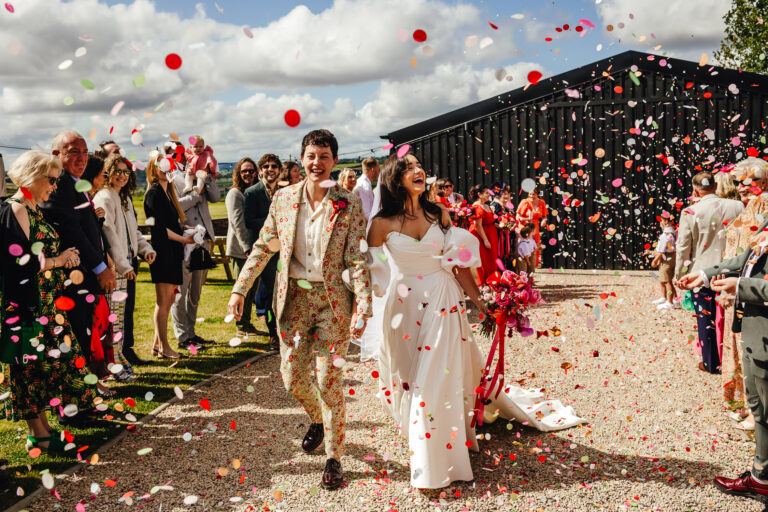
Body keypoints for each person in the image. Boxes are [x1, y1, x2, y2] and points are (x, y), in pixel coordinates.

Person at [366, 151, 582, 489]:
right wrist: (360, 308)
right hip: (403, 305)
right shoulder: (379, 224)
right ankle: (424, 432)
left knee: (434, 376)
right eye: (408, 168)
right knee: (409, 374)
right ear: (394, 178)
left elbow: (459, 266)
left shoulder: (441, 213)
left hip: (442, 300)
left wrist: (482, 304)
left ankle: (433, 461)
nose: (418, 170)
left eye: (420, 165)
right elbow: (372, 273)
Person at [228, 129, 372, 490]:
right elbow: (263, 247)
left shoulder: (348, 202)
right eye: (311, 155)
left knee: (328, 380)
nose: (316, 162)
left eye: (324, 156)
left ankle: (334, 459)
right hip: (293, 300)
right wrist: (240, 289)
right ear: (302, 159)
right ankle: (319, 420)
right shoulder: (284, 199)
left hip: (332, 301)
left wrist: (363, 306)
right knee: (292, 378)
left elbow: (356, 256)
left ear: (334, 161)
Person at [1, 150, 96, 451]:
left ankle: (43, 431)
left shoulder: (32, 208)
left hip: (48, 303)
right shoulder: (16, 210)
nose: (55, 187)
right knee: (29, 369)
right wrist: (60, 259)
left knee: (45, 367)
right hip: (28, 306)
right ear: (33, 176)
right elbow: (21, 264)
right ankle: (39, 434)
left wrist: (64, 258)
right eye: (52, 180)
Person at [677, 217, 768, 504]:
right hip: (756, 337)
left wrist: (740, 287)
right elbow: (746, 259)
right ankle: (761, 476)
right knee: (759, 409)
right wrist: (704, 275)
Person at [40, 131, 116, 425]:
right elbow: (72, 233)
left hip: (84, 276)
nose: (81, 157)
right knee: (74, 342)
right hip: (72, 279)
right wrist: (100, 268)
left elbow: (86, 227)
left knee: (85, 338)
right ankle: (72, 410)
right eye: (73, 151)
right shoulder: (58, 188)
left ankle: (84, 404)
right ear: (56, 154)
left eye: (84, 151)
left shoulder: (77, 185)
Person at [675, 171, 744, 374]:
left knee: (705, 319)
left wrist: (679, 274)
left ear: (696, 190)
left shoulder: (690, 211)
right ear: (715, 186)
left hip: (701, 271)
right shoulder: (737, 206)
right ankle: (733, 360)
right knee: (732, 316)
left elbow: (683, 246)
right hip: (731, 268)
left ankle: (711, 363)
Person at [94, 155, 156, 380]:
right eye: (117, 171)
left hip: (128, 265)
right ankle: (113, 365)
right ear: (107, 173)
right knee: (113, 320)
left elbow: (134, 233)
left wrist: (145, 249)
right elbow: (109, 234)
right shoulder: (104, 198)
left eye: (125, 171)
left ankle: (119, 361)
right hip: (115, 268)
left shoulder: (125, 199)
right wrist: (122, 264)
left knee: (121, 319)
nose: (121, 175)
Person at [719, 158, 768, 430]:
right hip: (737, 291)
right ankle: (746, 405)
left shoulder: (764, 206)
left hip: (753, 293)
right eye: (738, 181)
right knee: (740, 350)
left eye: (749, 180)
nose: (742, 187)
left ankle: (756, 412)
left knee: (753, 351)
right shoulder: (750, 207)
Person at [144, 155, 196, 360]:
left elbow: (172, 224)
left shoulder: (168, 193)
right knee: (163, 302)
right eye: (161, 165)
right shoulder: (153, 193)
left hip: (173, 253)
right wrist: (184, 240)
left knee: (170, 297)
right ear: (153, 169)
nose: (167, 168)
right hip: (163, 253)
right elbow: (159, 229)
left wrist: (187, 229)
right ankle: (165, 347)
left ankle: (157, 345)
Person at [171, 145, 221, 351]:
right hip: (185, 240)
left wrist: (207, 177)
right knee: (181, 291)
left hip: (204, 240)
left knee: (195, 292)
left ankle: (192, 333)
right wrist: (194, 196)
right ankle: (183, 336)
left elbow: (216, 197)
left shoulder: (200, 172)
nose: (183, 159)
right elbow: (176, 206)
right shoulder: (171, 178)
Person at [243, 154, 282, 349]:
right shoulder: (251, 193)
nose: (270, 169)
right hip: (264, 249)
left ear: (279, 170)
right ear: (260, 171)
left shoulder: (285, 192)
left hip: (285, 250)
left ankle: (286, 330)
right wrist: (274, 225)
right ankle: (273, 332)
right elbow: (249, 221)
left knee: (284, 291)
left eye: (274, 166)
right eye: (266, 166)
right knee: (269, 293)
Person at [226, 157, 259, 337]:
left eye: (251, 170)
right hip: (241, 248)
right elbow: (237, 222)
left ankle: (246, 323)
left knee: (251, 288)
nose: (248, 174)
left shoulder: (252, 192)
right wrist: (247, 247)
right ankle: (241, 327)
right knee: (242, 288)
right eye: (244, 171)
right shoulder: (235, 193)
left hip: (254, 247)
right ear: (238, 173)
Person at [468, 184, 499, 286]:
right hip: (482, 236)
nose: (488, 195)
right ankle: (483, 285)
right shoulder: (477, 207)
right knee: (483, 260)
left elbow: (491, 221)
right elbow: (478, 226)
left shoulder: (487, 205)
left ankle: (491, 283)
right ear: (479, 194)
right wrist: (485, 240)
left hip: (491, 234)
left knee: (491, 260)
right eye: (486, 193)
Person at [650, 215, 677, 311]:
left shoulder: (666, 234)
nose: (660, 223)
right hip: (669, 257)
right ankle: (672, 299)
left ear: (665, 221)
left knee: (667, 281)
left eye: (661, 221)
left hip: (666, 258)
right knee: (665, 279)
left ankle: (670, 302)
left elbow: (661, 251)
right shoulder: (672, 232)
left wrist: (654, 261)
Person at [516, 187, 548, 268]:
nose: (531, 196)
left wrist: (544, 220)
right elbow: (517, 216)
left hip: (535, 227)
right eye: (530, 194)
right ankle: (523, 265)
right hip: (525, 227)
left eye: (533, 194)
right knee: (525, 246)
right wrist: (526, 219)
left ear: (537, 194)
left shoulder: (541, 202)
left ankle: (532, 266)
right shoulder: (524, 202)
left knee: (534, 246)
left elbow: (544, 216)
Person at [492, 185, 515, 270]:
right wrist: (499, 225)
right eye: (503, 194)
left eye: (508, 193)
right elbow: (491, 220)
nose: (506, 196)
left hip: (508, 235)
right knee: (500, 255)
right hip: (499, 235)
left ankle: (509, 276)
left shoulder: (509, 206)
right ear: (498, 195)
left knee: (509, 256)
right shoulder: (496, 205)